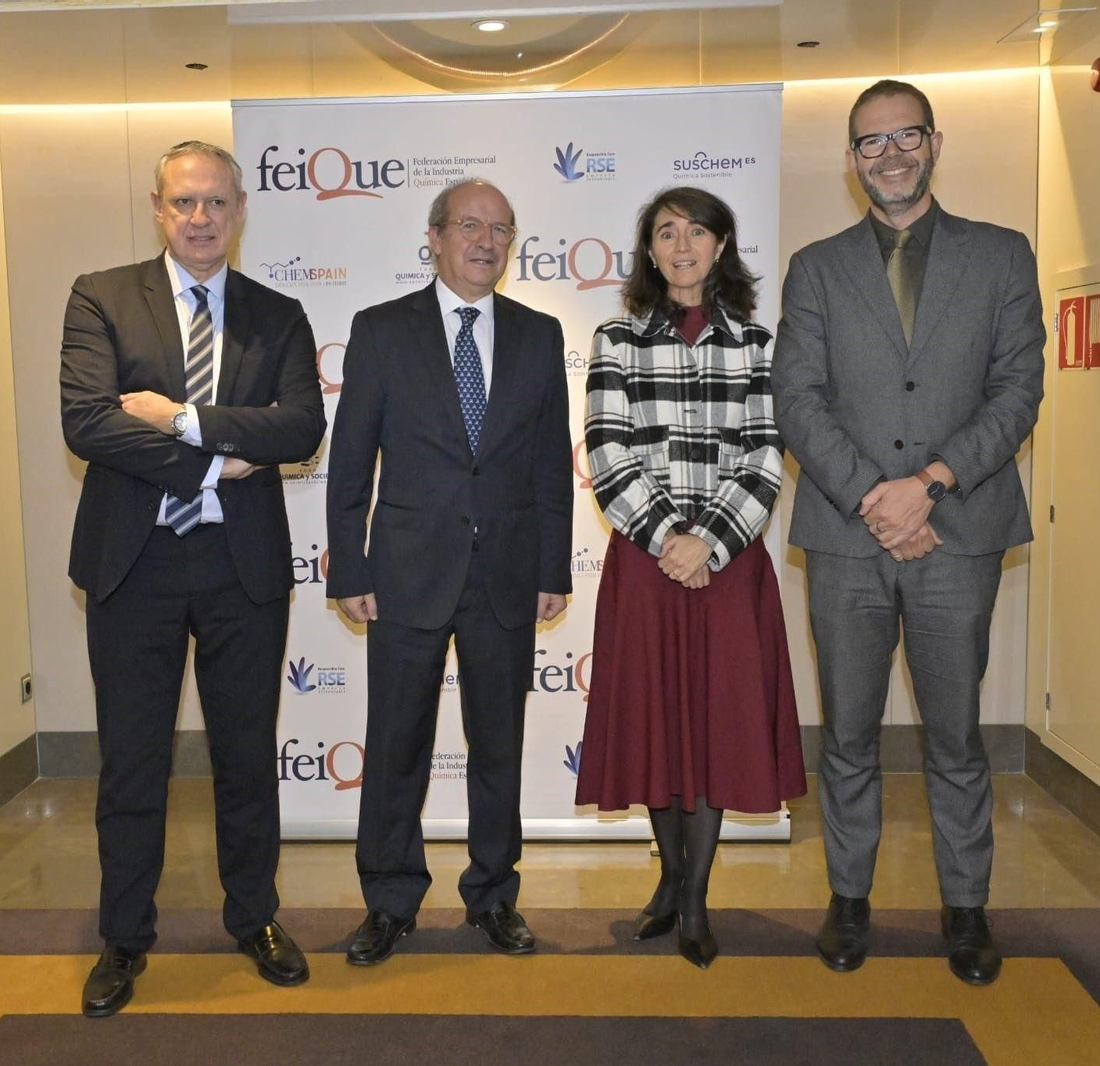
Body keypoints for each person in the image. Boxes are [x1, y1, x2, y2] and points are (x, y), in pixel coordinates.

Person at [772, 80, 1045, 986]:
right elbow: (798, 401)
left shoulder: (1002, 256)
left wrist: (927, 486)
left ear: (935, 142)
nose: (888, 155)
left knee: (956, 736)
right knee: (848, 734)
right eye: (869, 142)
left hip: (957, 533)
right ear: (850, 159)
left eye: (904, 137)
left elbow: (1018, 391)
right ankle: (849, 900)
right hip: (851, 539)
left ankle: (965, 910)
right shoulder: (815, 267)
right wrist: (874, 500)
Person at [60, 141, 326, 1016]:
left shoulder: (277, 313)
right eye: (184, 203)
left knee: (247, 760)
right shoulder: (100, 296)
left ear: (241, 208)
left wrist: (179, 419)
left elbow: (296, 430)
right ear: (156, 207)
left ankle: (256, 920)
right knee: (132, 765)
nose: (201, 218)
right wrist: (215, 464)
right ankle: (123, 939)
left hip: (239, 568)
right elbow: (90, 424)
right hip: (132, 563)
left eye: (216, 203)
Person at [325, 178, 573, 966]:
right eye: (470, 225)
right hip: (404, 573)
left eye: (501, 228)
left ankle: (494, 897)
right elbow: (351, 461)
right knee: (396, 743)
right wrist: (349, 564)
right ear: (433, 236)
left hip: (504, 572)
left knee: (498, 745)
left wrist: (552, 568)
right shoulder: (380, 329)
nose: (486, 241)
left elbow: (549, 468)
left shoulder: (538, 335)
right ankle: (390, 900)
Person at [574, 186, 806, 969]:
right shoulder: (615, 339)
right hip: (645, 563)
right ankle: (669, 883)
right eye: (666, 233)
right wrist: (668, 538)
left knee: (712, 727)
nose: (682, 246)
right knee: (655, 725)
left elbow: (766, 455)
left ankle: (697, 897)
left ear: (721, 245)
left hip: (729, 567)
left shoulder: (757, 342)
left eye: (696, 232)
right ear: (649, 248)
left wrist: (707, 541)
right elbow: (608, 452)